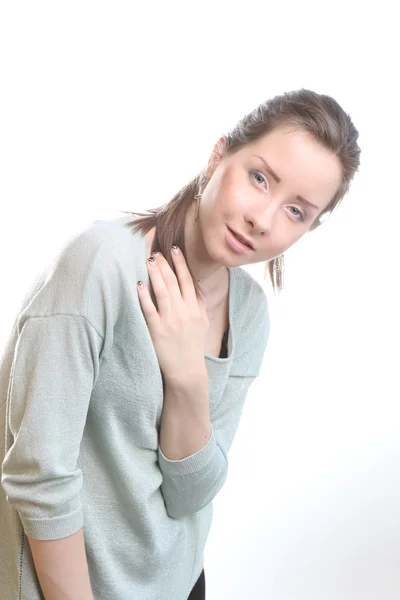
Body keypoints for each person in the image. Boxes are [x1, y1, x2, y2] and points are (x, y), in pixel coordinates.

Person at [0, 88, 360, 600]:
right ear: (218, 156)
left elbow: (190, 494)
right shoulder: (100, 264)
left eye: (297, 212)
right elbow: (38, 476)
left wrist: (189, 375)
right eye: (260, 178)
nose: (264, 218)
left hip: (180, 583)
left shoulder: (249, 313)